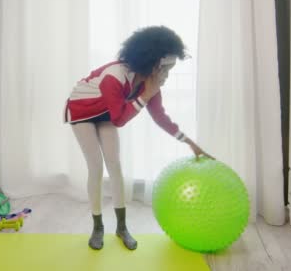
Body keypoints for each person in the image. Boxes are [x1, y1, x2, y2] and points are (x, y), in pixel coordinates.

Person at [64, 26, 211, 250]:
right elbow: (120, 119)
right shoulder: (114, 77)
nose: (167, 75)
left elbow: (160, 118)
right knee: (95, 167)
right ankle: (97, 227)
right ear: (152, 63)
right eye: (165, 68)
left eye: (170, 68)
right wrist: (145, 95)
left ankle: (121, 227)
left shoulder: (149, 85)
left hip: (107, 114)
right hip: (82, 111)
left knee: (115, 166)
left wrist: (191, 144)